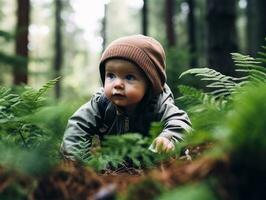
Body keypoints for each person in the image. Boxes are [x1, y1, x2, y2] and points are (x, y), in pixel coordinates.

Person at [61, 34, 191, 160]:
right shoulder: (101, 102)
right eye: (111, 75)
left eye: (129, 77)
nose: (117, 84)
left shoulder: (158, 103)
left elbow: (181, 122)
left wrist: (168, 138)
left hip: (156, 168)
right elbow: (76, 128)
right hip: (113, 169)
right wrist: (84, 165)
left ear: (150, 83)